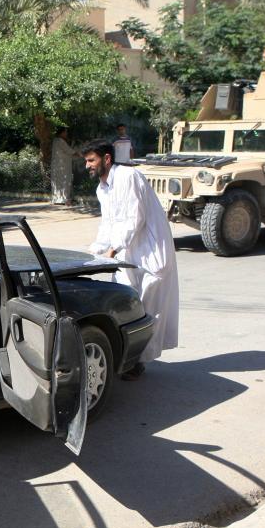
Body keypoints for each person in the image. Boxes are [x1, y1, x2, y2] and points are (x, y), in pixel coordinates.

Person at [82, 140, 178, 379]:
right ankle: (130, 358)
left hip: (149, 253)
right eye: (86, 161)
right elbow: (108, 224)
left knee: (147, 309)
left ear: (106, 159)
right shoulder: (102, 189)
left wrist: (112, 251)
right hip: (127, 253)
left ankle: (137, 361)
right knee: (126, 307)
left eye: (91, 160)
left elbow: (134, 219)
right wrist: (95, 251)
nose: (87, 166)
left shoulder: (128, 176)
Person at [50, 127, 76, 205]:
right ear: (62, 133)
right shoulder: (60, 141)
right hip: (62, 166)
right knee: (65, 180)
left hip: (57, 165)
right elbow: (69, 151)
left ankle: (57, 199)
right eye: (65, 132)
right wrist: (80, 154)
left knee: (57, 181)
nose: (66, 134)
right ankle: (64, 199)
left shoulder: (55, 140)